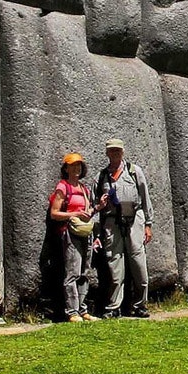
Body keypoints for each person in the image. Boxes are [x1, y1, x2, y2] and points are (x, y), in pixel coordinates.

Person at [95, 138, 154, 319]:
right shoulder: (101, 177)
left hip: (134, 220)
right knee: (114, 265)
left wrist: (148, 224)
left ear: (123, 152)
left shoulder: (134, 172)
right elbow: (94, 206)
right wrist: (96, 232)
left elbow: (145, 198)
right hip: (111, 222)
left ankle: (140, 305)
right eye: (112, 150)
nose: (115, 153)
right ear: (107, 153)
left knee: (138, 262)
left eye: (118, 150)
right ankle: (114, 307)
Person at [48, 152, 100, 322]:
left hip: (85, 232)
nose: (77, 168)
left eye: (79, 165)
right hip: (70, 233)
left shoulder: (84, 189)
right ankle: (72, 312)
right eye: (73, 165)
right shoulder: (63, 187)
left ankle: (83, 310)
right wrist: (75, 213)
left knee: (85, 272)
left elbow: (88, 213)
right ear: (66, 169)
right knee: (73, 272)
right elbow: (54, 213)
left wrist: (98, 207)